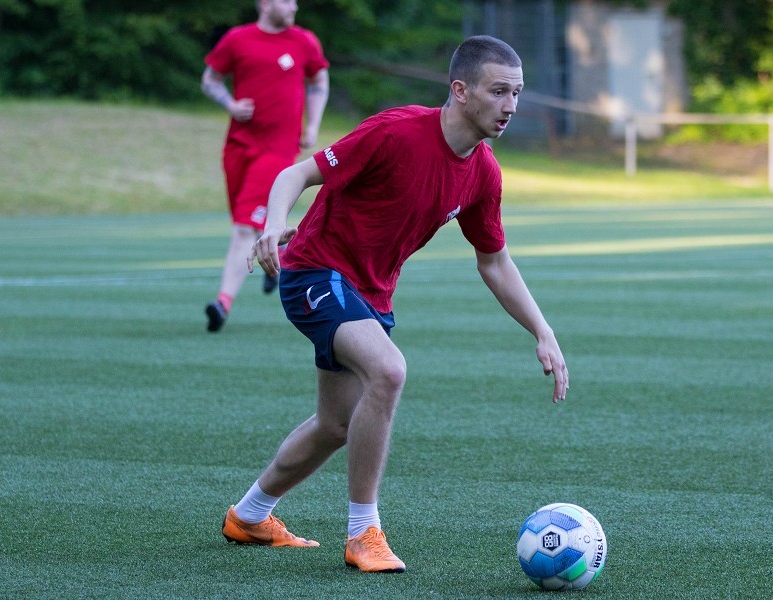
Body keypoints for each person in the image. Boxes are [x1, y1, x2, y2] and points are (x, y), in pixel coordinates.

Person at [222, 35, 569, 573]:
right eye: (499, 92)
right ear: (461, 90)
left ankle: (248, 515)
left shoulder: (483, 173)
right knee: (389, 370)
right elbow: (296, 173)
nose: (511, 106)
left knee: (336, 425)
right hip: (316, 273)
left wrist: (543, 331)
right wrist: (269, 228)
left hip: (372, 293)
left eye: (517, 93)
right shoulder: (396, 131)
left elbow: (494, 262)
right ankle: (364, 533)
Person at [201, 0, 329, 332]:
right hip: (238, 148)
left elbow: (319, 82)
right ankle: (280, 258)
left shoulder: (304, 41)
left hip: (278, 151)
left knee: (244, 227)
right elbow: (210, 80)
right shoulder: (237, 39)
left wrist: (313, 125)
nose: (294, 6)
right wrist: (229, 103)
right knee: (250, 221)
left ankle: (222, 303)